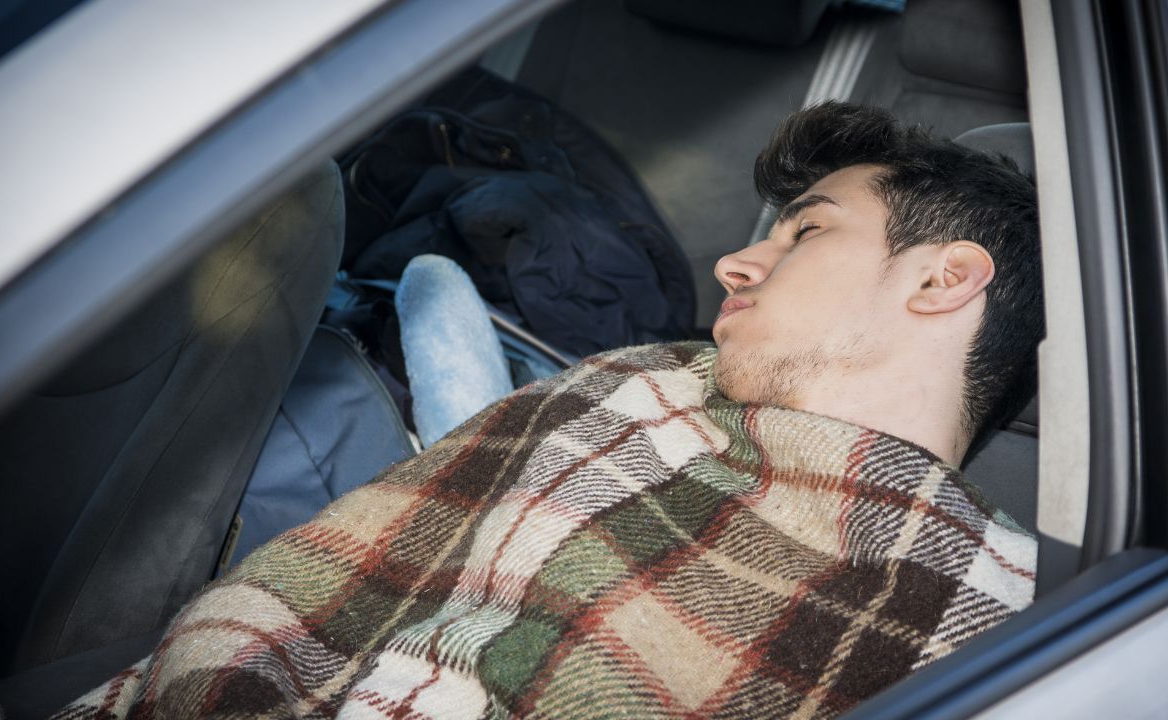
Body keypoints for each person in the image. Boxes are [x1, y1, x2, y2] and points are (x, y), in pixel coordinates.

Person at [55, 101, 1042, 719]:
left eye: (805, 234)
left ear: (941, 281)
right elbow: (330, 582)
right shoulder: (636, 381)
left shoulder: (994, 622)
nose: (734, 264)